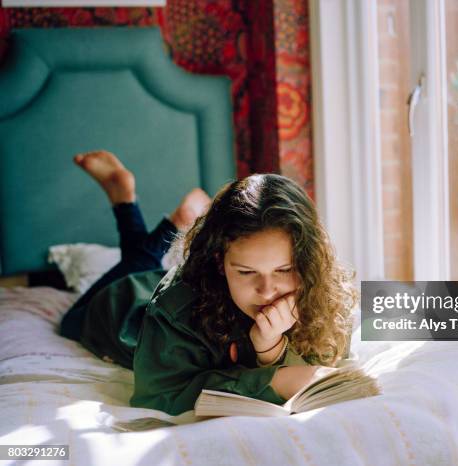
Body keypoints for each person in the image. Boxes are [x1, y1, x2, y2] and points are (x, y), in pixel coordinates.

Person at [59, 150, 357, 416]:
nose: (267, 290)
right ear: (219, 261)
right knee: (74, 317)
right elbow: (161, 396)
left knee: (143, 261)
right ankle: (135, 207)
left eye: (284, 269)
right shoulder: (174, 310)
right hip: (122, 306)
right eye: (246, 272)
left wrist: (270, 348)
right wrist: (273, 381)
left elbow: (324, 360)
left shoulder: (321, 287)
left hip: (155, 281)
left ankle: (133, 204)